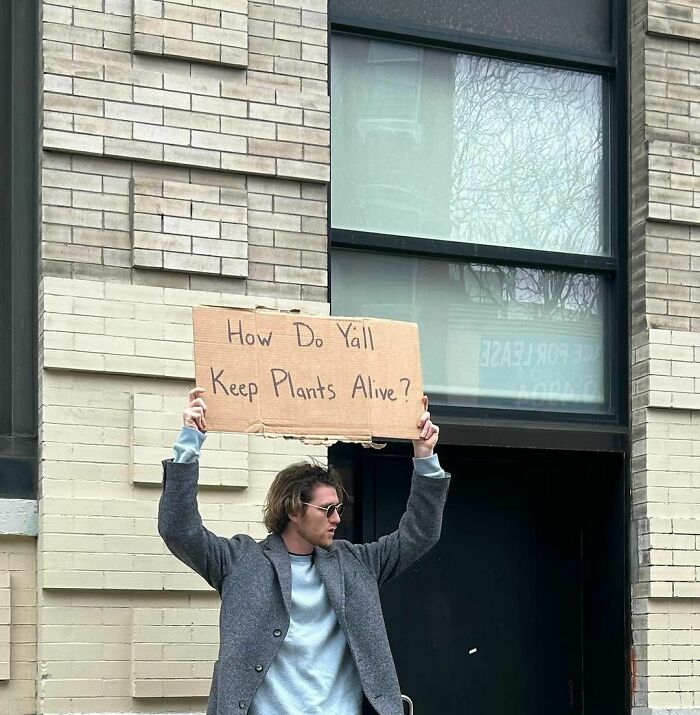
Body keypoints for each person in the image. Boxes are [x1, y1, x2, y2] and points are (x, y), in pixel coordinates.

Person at [159, 387, 450, 715]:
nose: (337, 518)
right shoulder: (240, 561)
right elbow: (179, 530)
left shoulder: (356, 563)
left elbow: (420, 534)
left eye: (338, 508)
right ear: (293, 510)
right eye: (327, 510)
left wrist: (425, 457)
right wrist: (189, 445)